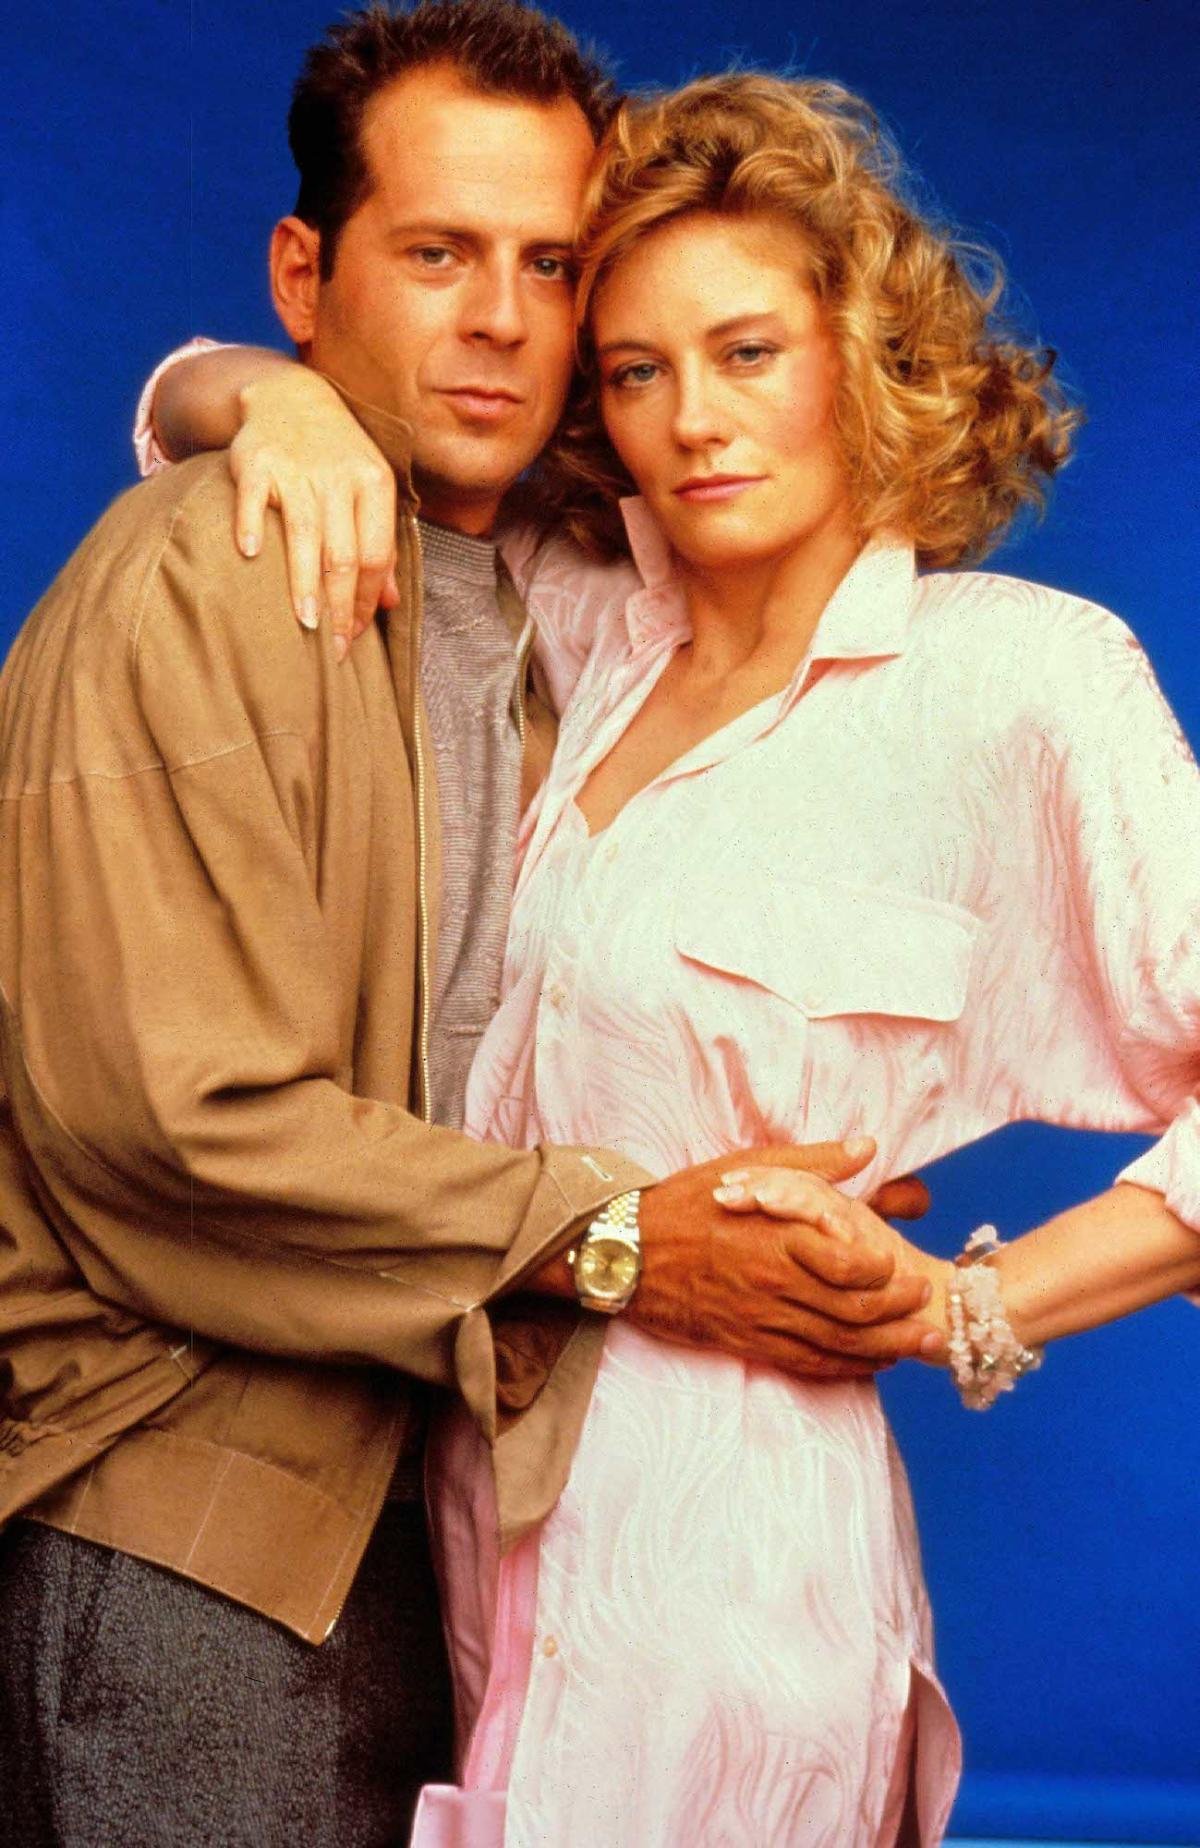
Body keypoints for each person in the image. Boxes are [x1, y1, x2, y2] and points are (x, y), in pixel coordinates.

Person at [148, 65, 1200, 1848]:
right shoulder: (571, 618)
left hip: (738, 1583)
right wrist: (286, 404)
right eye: (635, 371)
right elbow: (184, 422)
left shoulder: (1020, 681)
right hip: (464, 1528)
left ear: (861, 353)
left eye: (747, 353)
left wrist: (972, 1308)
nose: (693, 421)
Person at [0, 14, 946, 1848]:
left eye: (552, 266)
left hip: (447, 1504)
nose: (503, 319)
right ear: (307, 276)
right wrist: (623, 1239)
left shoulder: (563, 590)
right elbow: (172, 1124)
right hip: (198, 1522)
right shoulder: (208, 572)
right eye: (438, 253)